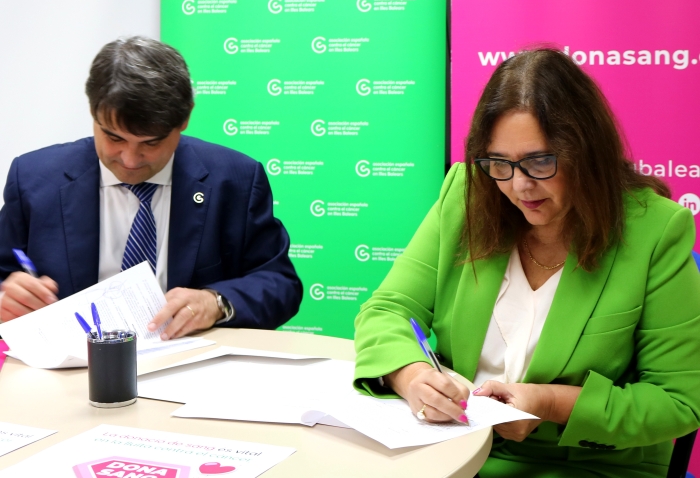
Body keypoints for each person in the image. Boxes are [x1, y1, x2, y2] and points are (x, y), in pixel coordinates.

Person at [353, 48, 700, 478]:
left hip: (585, 466)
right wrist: (412, 376)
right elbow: (387, 310)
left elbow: (678, 401)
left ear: (585, 151)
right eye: (499, 162)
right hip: (451, 448)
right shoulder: (467, 194)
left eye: (539, 161)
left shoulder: (655, 230)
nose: (519, 186)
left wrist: (550, 403)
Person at [0, 36, 302, 336]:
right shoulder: (34, 179)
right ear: (93, 111)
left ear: (184, 119)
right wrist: (5, 296)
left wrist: (217, 302)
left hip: (188, 359)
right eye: (114, 138)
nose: (130, 160)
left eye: (151, 143)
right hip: (73, 362)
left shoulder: (235, 180)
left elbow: (280, 284)